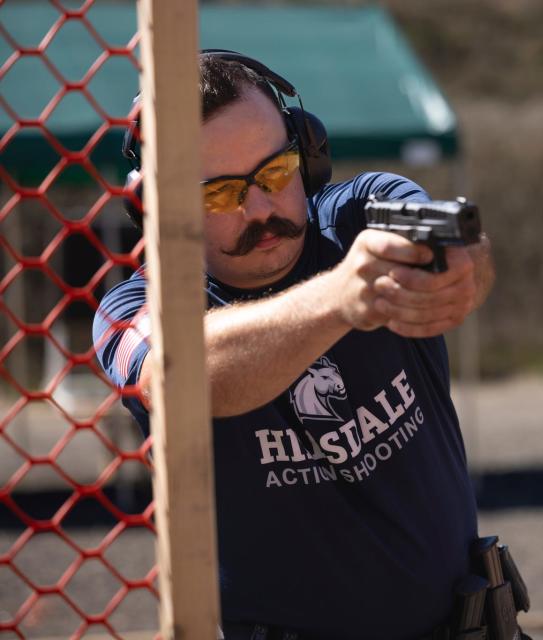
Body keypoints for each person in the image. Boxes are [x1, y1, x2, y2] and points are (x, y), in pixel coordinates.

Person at [92, 52, 494, 639]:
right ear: (158, 208)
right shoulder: (130, 310)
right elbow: (174, 376)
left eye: (275, 172)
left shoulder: (359, 215)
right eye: (218, 194)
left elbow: (452, 243)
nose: (259, 208)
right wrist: (339, 301)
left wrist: (462, 263)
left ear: (307, 153)